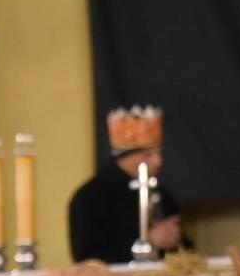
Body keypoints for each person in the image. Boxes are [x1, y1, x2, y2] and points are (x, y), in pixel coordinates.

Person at [68, 106, 182, 264]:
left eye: (159, 153)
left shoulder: (162, 195)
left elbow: (181, 253)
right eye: (147, 155)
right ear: (123, 158)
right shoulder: (89, 199)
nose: (158, 161)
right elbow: (88, 261)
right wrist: (150, 243)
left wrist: (175, 238)